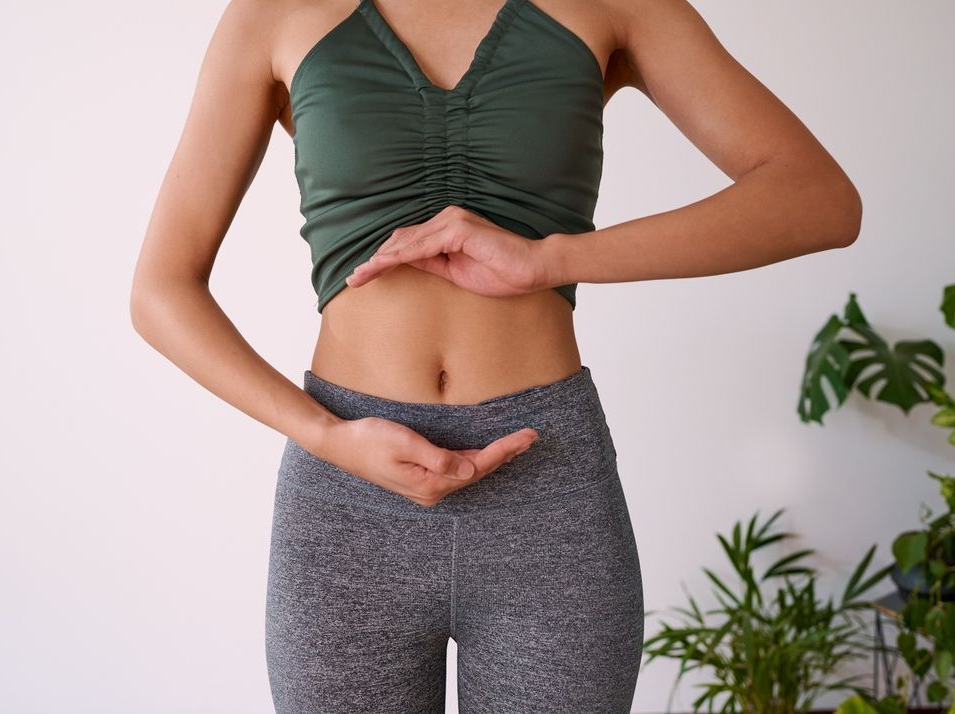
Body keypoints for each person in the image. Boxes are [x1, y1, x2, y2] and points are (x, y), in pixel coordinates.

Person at [130, 0, 862, 710]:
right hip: (346, 503)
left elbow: (818, 199)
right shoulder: (271, 13)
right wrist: (326, 437)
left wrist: (551, 259)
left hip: (547, 489)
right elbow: (161, 289)